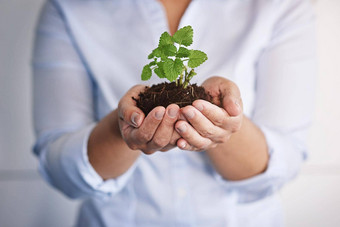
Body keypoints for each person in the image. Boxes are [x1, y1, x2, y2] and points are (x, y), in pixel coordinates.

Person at [32, 0, 316, 226]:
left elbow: (284, 162)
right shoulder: (70, 7)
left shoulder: (280, 4)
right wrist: (120, 130)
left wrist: (222, 120)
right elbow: (59, 167)